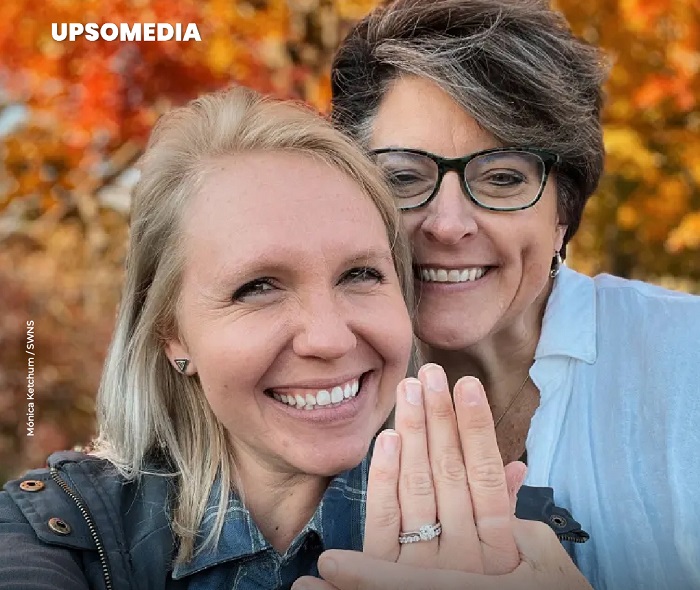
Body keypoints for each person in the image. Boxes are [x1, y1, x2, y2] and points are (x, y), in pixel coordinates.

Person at [0, 85, 587, 589]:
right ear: (171, 334)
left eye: (360, 275)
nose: (329, 339)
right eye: (258, 287)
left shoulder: (520, 547)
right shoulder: (59, 532)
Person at [329, 0, 700, 589]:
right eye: (402, 177)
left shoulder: (687, 363)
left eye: (502, 178)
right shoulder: (310, 385)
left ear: (562, 214)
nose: (448, 225)